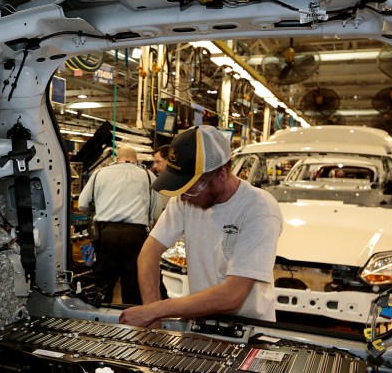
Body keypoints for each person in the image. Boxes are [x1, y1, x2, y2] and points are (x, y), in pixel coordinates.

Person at [119, 125, 283, 328]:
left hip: (249, 329)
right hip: (200, 322)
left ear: (221, 175)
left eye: (193, 188)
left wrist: (155, 310)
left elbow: (233, 295)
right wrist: (152, 316)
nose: (185, 197)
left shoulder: (258, 209)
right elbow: (150, 251)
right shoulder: (185, 199)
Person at [78, 144, 162, 304]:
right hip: (135, 235)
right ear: (136, 159)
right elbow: (156, 211)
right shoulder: (148, 175)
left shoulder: (99, 174)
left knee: (103, 281)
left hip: (106, 233)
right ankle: (132, 321)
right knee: (133, 283)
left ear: (117, 158)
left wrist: (99, 209)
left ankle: (101, 317)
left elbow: (83, 204)